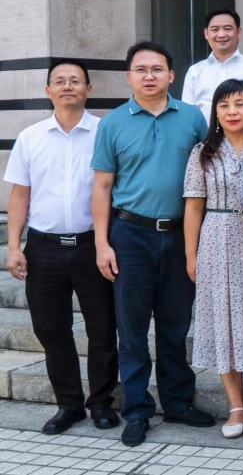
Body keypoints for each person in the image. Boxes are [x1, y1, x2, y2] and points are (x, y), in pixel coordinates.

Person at [91, 41, 214, 447]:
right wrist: (101, 243)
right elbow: (102, 186)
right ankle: (137, 410)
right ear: (129, 76)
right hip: (130, 236)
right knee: (131, 329)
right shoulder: (112, 123)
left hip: (181, 235)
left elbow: (209, 173)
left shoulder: (192, 118)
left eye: (157, 69)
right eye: (141, 69)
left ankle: (178, 402)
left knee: (176, 325)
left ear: (171, 75)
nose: (149, 76)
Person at [4, 59, 119, 435]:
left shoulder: (105, 132)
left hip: (93, 245)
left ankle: (101, 403)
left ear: (89, 89)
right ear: (47, 90)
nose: (68, 86)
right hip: (44, 248)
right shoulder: (31, 137)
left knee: (103, 328)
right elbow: (20, 195)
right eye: (60, 81)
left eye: (75, 80)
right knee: (51, 329)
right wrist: (14, 246)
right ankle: (69, 404)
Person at [183, 78, 243, 439]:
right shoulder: (203, 152)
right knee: (222, 321)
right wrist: (191, 255)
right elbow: (193, 208)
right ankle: (235, 404)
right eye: (224, 106)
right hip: (215, 242)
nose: (232, 111)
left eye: (240, 104)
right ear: (215, 112)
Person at [181, 7, 243, 121]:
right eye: (215, 29)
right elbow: (188, 111)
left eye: (227, 29)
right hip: (203, 132)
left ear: (238, 32)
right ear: (206, 33)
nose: (221, 34)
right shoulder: (194, 71)